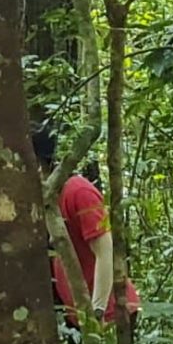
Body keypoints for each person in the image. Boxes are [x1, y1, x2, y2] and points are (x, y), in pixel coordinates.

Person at [32, 128, 138, 325]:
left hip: (109, 317)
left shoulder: (78, 191)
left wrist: (97, 312)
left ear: (39, 164)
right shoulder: (48, 200)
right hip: (77, 318)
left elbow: (105, 250)